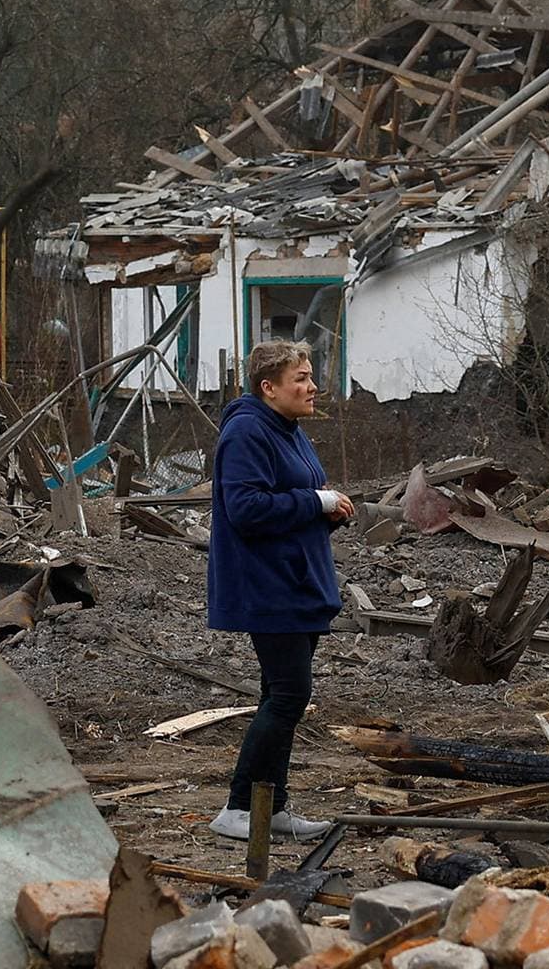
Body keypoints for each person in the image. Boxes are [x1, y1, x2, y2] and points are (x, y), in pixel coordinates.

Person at [206, 340, 353, 841]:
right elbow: (245, 509)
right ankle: (240, 808)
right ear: (269, 388)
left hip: (297, 581)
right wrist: (314, 500)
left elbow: (291, 505)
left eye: (310, 377)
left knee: (282, 694)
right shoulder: (247, 431)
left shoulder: (288, 430)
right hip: (268, 588)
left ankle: (274, 806)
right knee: (289, 694)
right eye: (301, 379)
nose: (312, 387)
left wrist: (324, 512)